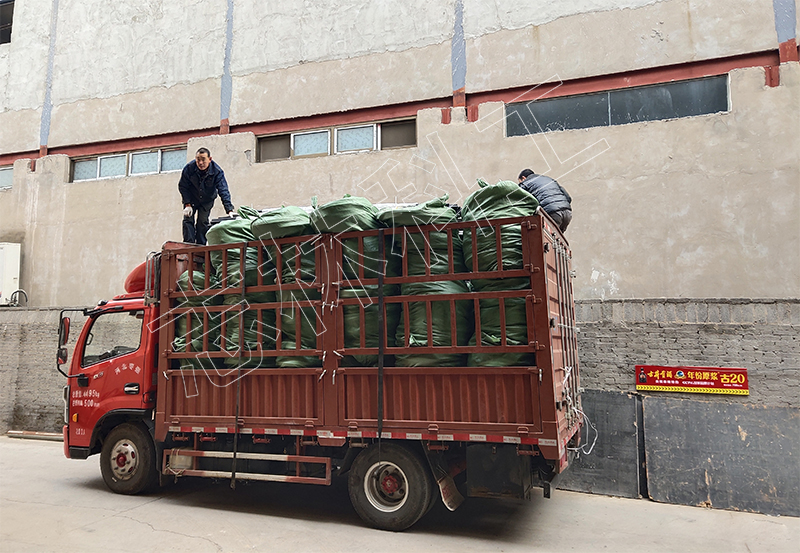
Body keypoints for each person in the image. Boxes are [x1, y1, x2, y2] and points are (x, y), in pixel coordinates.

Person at [178, 148, 235, 244]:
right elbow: (183, 186)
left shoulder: (217, 171)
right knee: (188, 220)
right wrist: (187, 204)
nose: (200, 162)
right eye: (198, 159)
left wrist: (229, 209)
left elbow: (223, 189)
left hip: (207, 200)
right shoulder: (189, 168)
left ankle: (200, 246)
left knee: (202, 222)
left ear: (210, 159)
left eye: (203, 159)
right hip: (192, 198)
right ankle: (188, 244)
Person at [517, 168, 572, 232]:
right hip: (567, 213)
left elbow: (517, 200)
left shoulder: (525, 183)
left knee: (545, 238)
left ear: (523, 178)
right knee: (557, 239)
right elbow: (568, 198)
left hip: (551, 212)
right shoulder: (549, 179)